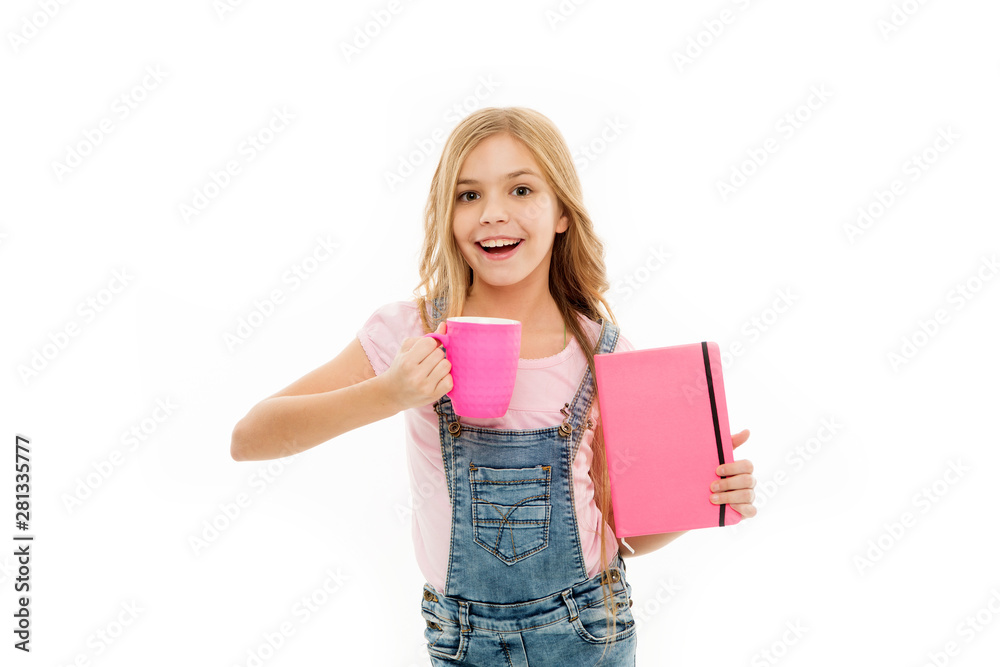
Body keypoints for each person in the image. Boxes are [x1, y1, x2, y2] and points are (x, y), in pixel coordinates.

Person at [231, 106, 757, 665]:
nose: (493, 215)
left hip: (589, 630)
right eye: (469, 195)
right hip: (462, 640)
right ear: (446, 215)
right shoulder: (411, 332)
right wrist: (389, 393)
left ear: (561, 213)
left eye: (522, 190)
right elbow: (250, 438)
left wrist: (701, 499)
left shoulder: (599, 352)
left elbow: (624, 535)